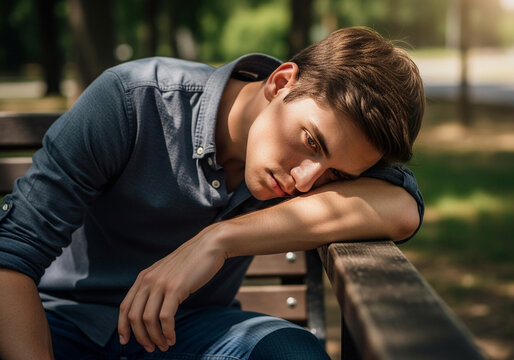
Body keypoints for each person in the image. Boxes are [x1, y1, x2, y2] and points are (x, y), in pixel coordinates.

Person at [0, 26, 424, 359]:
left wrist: (218, 240)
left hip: (185, 333)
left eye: (336, 174)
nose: (306, 181)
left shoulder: (308, 166)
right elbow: (12, 254)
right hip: (63, 324)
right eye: (312, 142)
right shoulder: (132, 99)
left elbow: (402, 209)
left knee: (292, 351)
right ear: (280, 83)